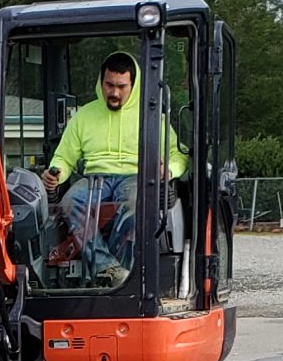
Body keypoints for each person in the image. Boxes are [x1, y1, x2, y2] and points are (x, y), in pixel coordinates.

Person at [42, 50, 187, 286]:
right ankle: (109, 269)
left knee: (134, 203)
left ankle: (124, 280)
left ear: (134, 84)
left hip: (134, 176)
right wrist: (55, 173)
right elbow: (64, 157)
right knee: (69, 202)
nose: (114, 92)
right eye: (109, 85)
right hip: (94, 178)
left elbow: (177, 154)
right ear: (101, 82)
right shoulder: (83, 116)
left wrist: (168, 170)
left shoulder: (151, 117)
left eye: (121, 86)